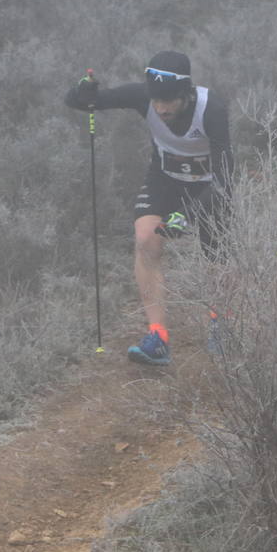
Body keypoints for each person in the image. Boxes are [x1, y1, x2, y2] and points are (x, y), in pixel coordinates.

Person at [65, 50, 232, 365]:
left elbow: (225, 178)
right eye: (156, 100)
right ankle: (158, 337)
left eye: (169, 100)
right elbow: (84, 101)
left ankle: (221, 324)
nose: (161, 107)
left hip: (210, 187)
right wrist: (82, 93)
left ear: (186, 93)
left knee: (216, 259)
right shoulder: (144, 97)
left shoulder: (212, 109)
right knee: (145, 238)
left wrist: (190, 214)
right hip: (165, 179)